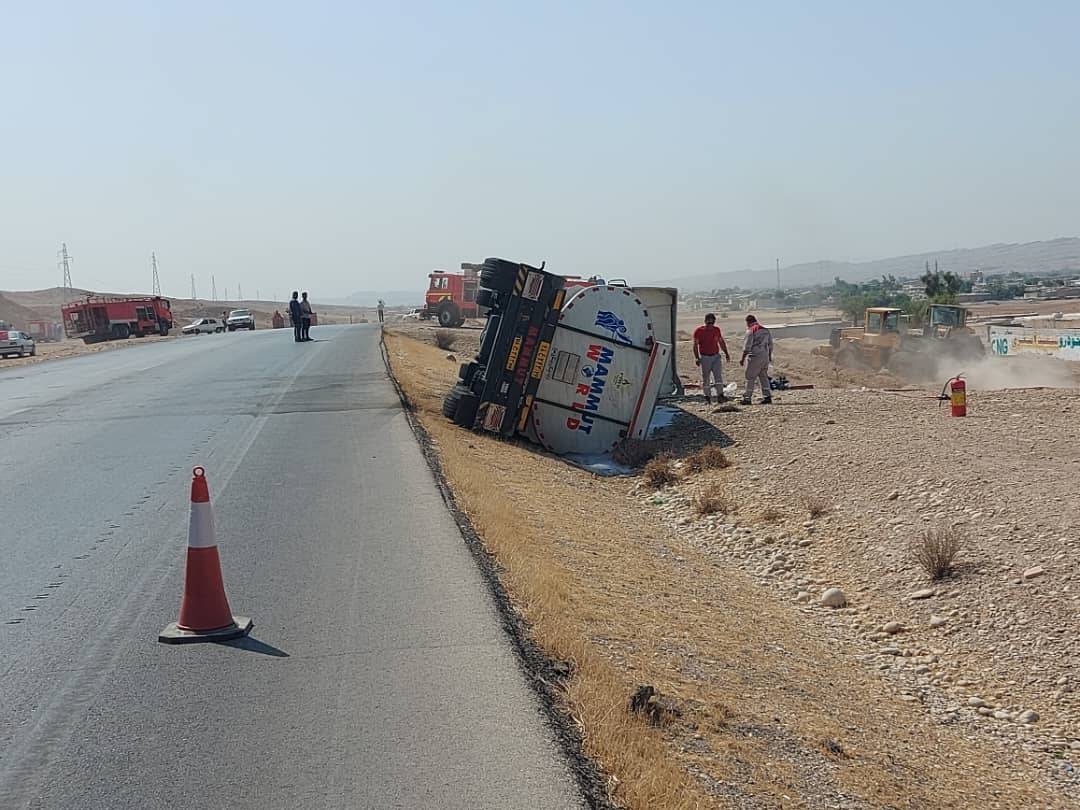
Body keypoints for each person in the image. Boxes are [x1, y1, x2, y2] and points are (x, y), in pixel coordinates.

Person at [692, 313, 730, 405]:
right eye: (709, 322)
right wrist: (697, 357)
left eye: (712, 322)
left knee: (718, 376)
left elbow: (721, 342)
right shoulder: (699, 331)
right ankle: (707, 396)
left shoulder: (716, 330)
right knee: (706, 378)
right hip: (705, 357)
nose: (710, 324)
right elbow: (695, 345)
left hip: (716, 356)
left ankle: (720, 395)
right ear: (705, 321)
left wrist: (726, 353)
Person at [739, 314, 774, 405]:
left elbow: (747, 347)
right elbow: (770, 345)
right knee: (763, 377)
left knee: (750, 377)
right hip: (765, 357)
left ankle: (747, 398)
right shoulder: (765, 330)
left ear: (748, 322)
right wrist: (769, 356)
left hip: (754, 357)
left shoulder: (751, 330)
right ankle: (767, 396)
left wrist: (742, 359)